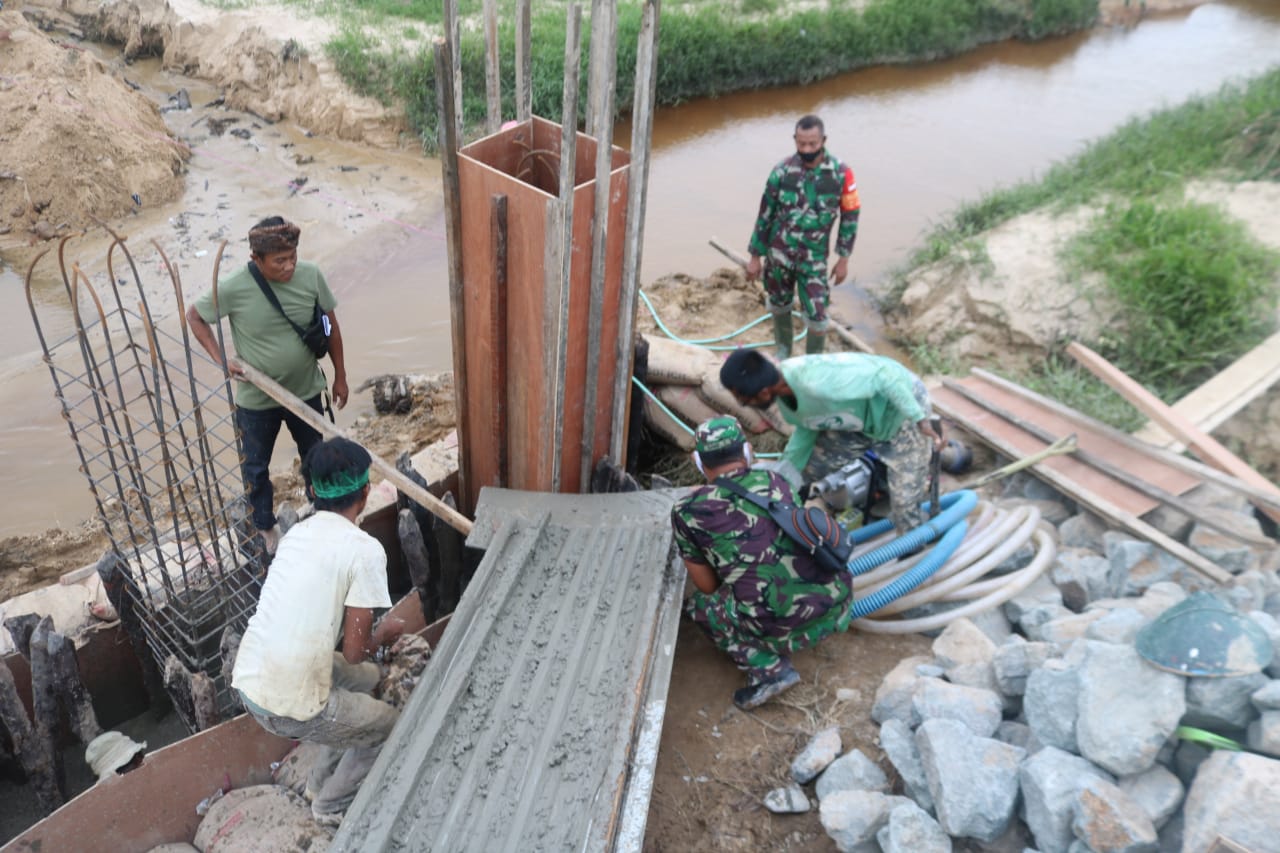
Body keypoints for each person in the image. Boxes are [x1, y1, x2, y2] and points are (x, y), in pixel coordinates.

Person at [231, 437, 403, 824]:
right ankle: (329, 804)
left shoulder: (296, 535)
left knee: (368, 679)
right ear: (366, 491)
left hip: (251, 680)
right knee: (386, 724)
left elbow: (354, 661)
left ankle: (317, 780)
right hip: (286, 700)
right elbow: (357, 650)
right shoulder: (365, 550)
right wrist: (385, 633)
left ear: (312, 492)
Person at [186, 216, 349, 553]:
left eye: (292, 257)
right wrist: (220, 359)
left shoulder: (311, 275)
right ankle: (265, 528)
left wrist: (341, 375)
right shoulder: (234, 287)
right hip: (256, 398)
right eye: (279, 261)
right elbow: (195, 317)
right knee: (255, 467)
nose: (289, 266)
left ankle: (321, 514)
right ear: (256, 260)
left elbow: (329, 324)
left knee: (315, 457)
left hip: (305, 390)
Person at [671, 416, 853, 710]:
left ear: (698, 462)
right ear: (747, 452)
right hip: (836, 605)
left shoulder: (688, 510)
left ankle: (770, 671)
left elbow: (707, 586)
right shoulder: (776, 482)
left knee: (702, 608)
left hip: (779, 623)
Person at [719, 349, 943, 534]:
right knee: (803, 472)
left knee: (905, 504)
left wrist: (920, 419)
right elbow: (806, 430)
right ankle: (791, 524)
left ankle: (914, 553)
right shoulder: (786, 398)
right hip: (858, 420)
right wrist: (784, 477)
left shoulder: (820, 380)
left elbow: (885, 376)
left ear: (764, 392)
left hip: (900, 413)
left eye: (743, 399)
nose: (741, 404)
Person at [745, 114, 861, 359]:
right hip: (779, 257)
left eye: (812, 144)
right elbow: (765, 214)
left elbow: (850, 216)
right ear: (795, 140)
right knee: (778, 307)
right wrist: (755, 256)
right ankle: (784, 354)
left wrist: (843, 259)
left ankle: (812, 366)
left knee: (818, 318)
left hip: (814, 260)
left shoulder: (841, 174)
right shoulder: (782, 171)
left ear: (823, 140)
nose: (807, 149)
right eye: (801, 144)